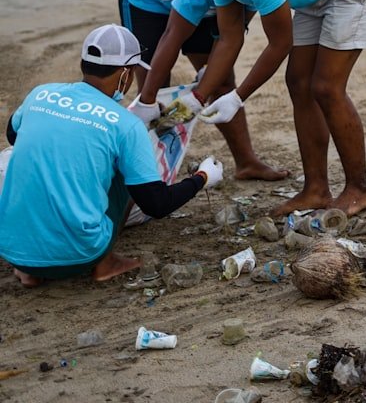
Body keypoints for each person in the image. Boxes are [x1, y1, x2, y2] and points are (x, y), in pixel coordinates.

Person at [150, 0, 366, 217]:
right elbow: (229, 37)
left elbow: (280, 43)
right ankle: (316, 190)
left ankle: (359, 189)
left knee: (326, 87)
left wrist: (237, 97)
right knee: (299, 83)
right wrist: (198, 98)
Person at [0, 24, 222, 287]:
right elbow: (156, 204)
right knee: (126, 170)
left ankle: (31, 270)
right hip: (78, 256)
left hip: (12, 250)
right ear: (125, 75)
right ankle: (105, 263)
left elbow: (13, 135)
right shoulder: (125, 125)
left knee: (26, 155)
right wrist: (202, 178)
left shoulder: (41, 94)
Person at [117, 0, 288, 181]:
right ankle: (151, 174)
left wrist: (206, 84)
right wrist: (147, 100)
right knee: (153, 87)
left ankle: (246, 162)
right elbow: (172, 36)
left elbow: (233, 30)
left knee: (220, 79)